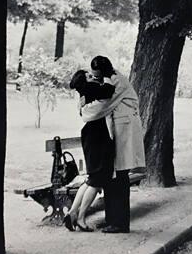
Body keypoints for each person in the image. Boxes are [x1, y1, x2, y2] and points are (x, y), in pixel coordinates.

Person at [81, 56, 146, 233]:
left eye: (97, 76)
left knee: (120, 179)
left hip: (124, 134)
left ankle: (120, 223)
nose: (95, 80)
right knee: (113, 178)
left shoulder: (118, 83)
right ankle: (113, 220)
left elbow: (101, 107)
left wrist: (83, 110)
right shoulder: (110, 80)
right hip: (116, 136)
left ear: (104, 72)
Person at [63, 69, 116, 232]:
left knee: (92, 178)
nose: (92, 75)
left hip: (91, 135)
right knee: (98, 179)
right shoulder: (91, 87)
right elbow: (109, 90)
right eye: (88, 75)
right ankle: (80, 218)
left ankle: (72, 213)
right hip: (98, 137)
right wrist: (107, 76)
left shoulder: (84, 93)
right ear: (84, 80)